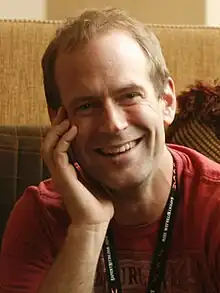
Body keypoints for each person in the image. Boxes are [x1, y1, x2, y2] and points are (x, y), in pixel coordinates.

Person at [0, 7, 220, 293]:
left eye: (129, 96)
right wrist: (87, 227)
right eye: (87, 106)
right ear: (59, 120)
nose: (113, 125)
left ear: (166, 101)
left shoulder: (213, 205)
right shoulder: (40, 214)